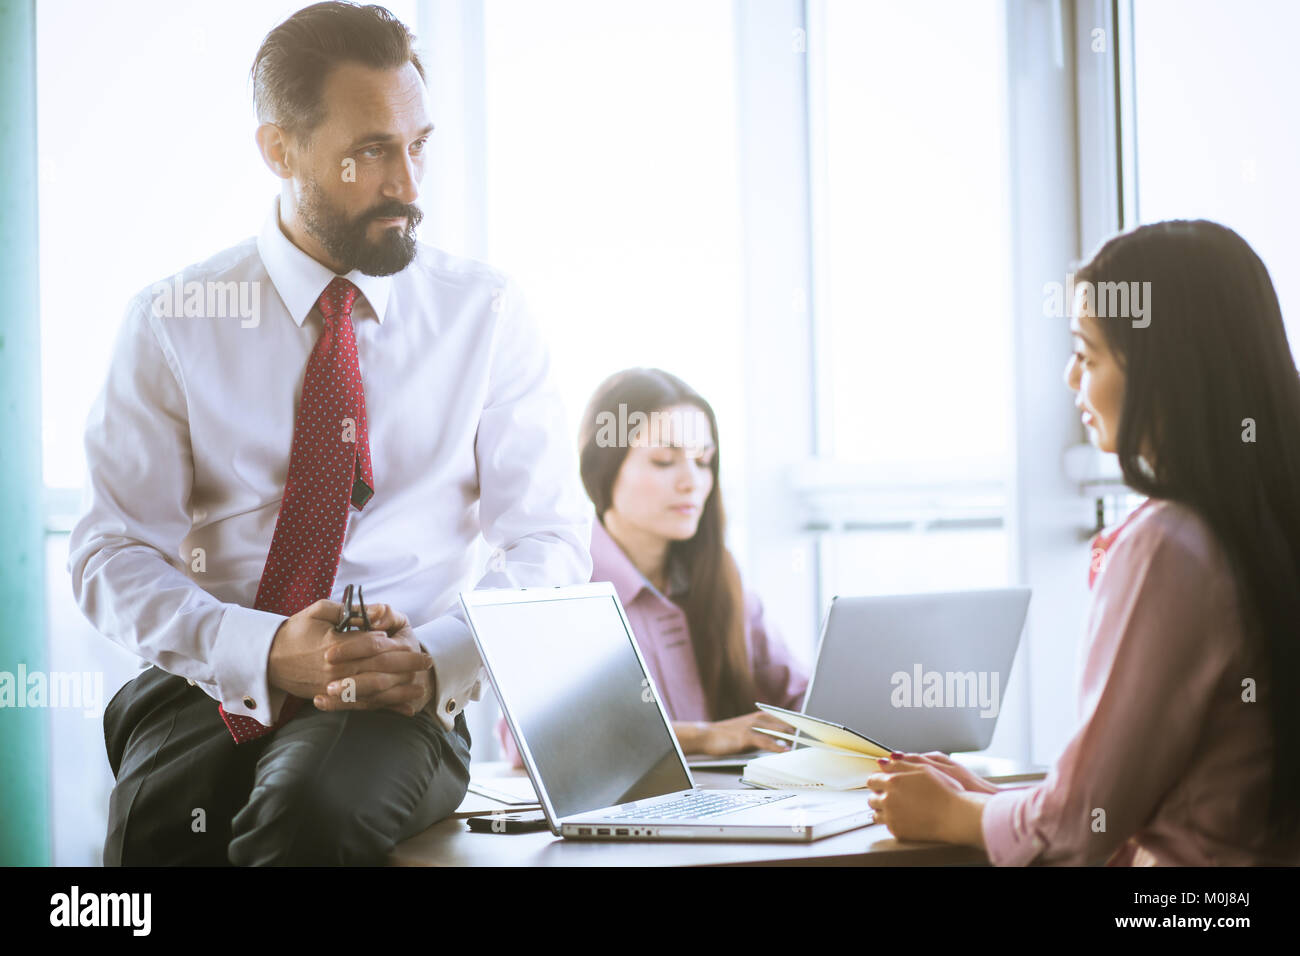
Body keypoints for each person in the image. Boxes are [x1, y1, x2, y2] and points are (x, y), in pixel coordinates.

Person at [68, 2, 591, 866]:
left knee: (311, 811)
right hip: (212, 681)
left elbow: (548, 539)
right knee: (161, 830)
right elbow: (110, 554)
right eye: (373, 151)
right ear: (281, 150)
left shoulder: (486, 316)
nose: (410, 186)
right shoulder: (174, 323)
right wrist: (266, 650)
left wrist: (438, 657)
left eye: (418, 144)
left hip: (401, 692)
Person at [865, 220, 1300, 865]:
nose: (1073, 379)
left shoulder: (1168, 547)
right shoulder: (1264, 526)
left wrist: (956, 815)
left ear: (1163, 370)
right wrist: (994, 805)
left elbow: (1080, 829)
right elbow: (1116, 809)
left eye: (1088, 354)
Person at [497, 368, 807, 765]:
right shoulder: (565, 584)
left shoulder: (720, 580)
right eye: (664, 461)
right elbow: (528, 741)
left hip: (731, 810)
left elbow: (800, 700)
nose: (691, 482)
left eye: (703, 461)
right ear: (602, 469)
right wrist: (704, 737)